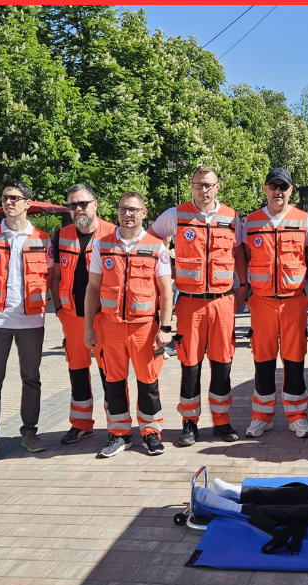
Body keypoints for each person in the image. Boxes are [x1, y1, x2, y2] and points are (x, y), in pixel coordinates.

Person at [148, 165, 244, 447]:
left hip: (223, 301)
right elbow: (151, 240)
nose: (204, 190)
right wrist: (163, 268)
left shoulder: (231, 216)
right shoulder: (175, 214)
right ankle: (189, 423)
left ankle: (222, 421)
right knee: (190, 364)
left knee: (223, 363)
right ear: (192, 186)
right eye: (199, 184)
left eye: (209, 185)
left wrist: (243, 284)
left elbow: (238, 250)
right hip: (189, 303)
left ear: (217, 187)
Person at [83, 191, 173, 458]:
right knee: (113, 382)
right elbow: (93, 288)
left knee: (148, 382)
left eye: (133, 210)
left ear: (144, 213)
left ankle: (151, 433)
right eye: (123, 209)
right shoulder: (102, 245)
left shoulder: (157, 246)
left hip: (143, 329)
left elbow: (166, 291)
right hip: (110, 327)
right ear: (117, 212)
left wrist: (165, 327)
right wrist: (89, 327)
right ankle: (119, 434)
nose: (128, 214)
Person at [0, 180, 51, 462]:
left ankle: (30, 433)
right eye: (5, 197)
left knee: (31, 378)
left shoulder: (43, 238)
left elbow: (50, 278)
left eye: (15, 198)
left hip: (32, 321)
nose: (9, 202)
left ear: (28, 203)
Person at [243, 167, 308, 439]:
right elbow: (246, 256)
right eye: (273, 186)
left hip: (293, 302)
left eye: (283, 187)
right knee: (262, 360)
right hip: (261, 303)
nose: (278, 192)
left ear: (290, 191)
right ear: (264, 189)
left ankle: (298, 417)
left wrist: (294, 282)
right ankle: (261, 417)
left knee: (294, 360)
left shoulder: (304, 220)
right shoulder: (250, 222)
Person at [51, 184, 117, 445]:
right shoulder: (61, 235)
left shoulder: (113, 233)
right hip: (72, 317)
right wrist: (58, 308)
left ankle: (117, 426)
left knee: (110, 373)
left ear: (95, 204)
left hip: (105, 317)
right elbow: (55, 276)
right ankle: (80, 424)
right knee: (77, 371)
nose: (77, 209)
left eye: (83, 204)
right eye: (72, 205)